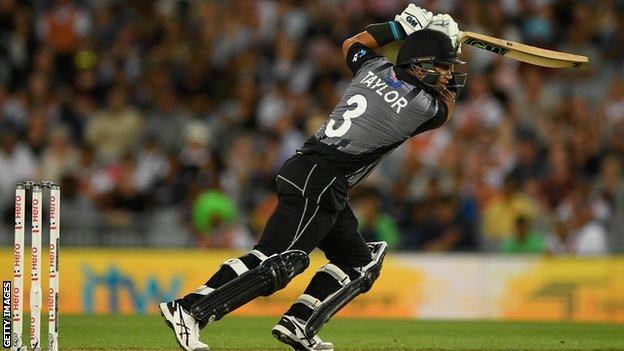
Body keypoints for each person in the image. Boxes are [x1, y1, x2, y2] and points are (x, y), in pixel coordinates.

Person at [160, 5, 467, 351]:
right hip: (321, 179)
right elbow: (447, 105)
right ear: (420, 64)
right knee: (277, 259)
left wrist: (399, 28)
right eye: (441, 67)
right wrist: (452, 43)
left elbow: (354, 41)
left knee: (359, 262)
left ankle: (299, 325)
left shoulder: (373, 67)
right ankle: (189, 310)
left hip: (313, 174)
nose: (447, 75)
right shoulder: (422, 107)